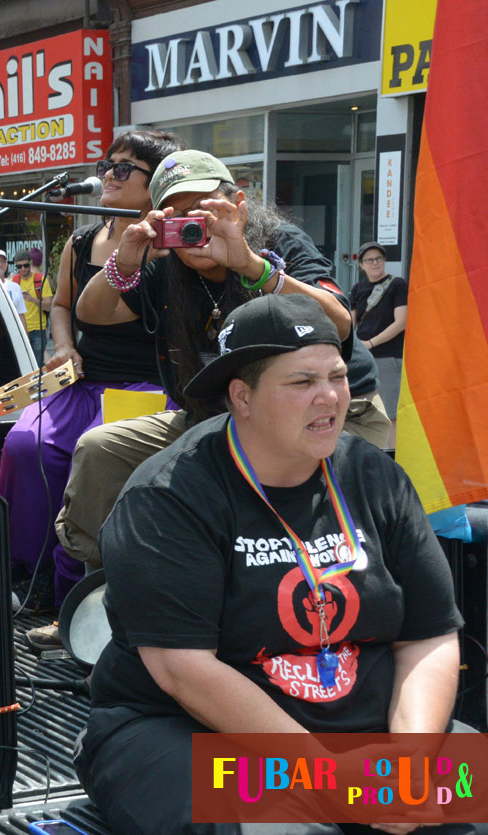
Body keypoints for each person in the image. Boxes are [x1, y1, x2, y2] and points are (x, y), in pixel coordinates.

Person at [75, 293, 474, 835]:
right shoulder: (168, 495)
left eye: (336, 376)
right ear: (242, 396)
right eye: (302, 382)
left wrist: (409, 760)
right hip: (190, 729)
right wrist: (332, 778)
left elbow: (428, 637)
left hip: (364, 732)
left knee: (472, 795)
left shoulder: (375, 477)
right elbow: (183, 669)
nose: (329, 397)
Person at [58, 149, 389, 569]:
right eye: (174, 215)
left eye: (202, 209)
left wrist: (252, 266)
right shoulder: (166, 267)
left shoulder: (278, 242)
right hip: (219, 415)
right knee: (100, 449)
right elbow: (93, 314)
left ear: (238, 207)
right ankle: (106, 590)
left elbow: (339, 322)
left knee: (262, 483)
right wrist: (123, 262)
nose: (192, 225)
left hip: (330, 411)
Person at [0, 130, 186, 631]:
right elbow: (62, 305)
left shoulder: (172, 247)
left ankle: (88, 594)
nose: (108, 174)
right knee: (24, 446)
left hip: (146, 388)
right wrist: (64, 348)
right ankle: (32, 575)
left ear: (157, 183)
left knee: (98, 456)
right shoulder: (81, 241)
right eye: (108, 164)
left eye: (124, 168)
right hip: (82, 383)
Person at [350, 242, 406, 447]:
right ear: (361, 265)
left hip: (388, 356)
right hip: (364, 358)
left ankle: (391, 457)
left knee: (390, 413)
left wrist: (370, 344)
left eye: (378, 259)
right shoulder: (358, 288)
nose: (375, 263)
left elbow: (401, 322)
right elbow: (350, 321)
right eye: (369, 260)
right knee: (364, 411)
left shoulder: (397, 285)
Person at [9, 249, 49, 360]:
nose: (23, 269)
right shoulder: (12, 282)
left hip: (37, 330)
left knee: (37, 365)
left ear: (30, 263)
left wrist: (33, 300)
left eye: (26, 265)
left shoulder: (40, 280)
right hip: (20, 329)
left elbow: (49, 305)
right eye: (19, 266)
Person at [0, 248, 26, 315]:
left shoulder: (15, 287)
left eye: (3, 261)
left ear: (6, 264)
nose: (0, 265)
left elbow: (21, 315)